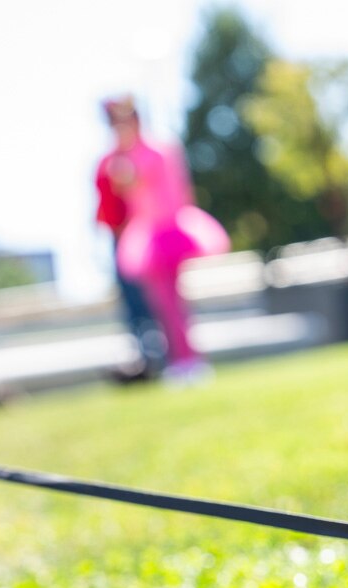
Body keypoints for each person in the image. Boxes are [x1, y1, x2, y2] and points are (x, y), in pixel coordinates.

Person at [97, 96, 229, 383]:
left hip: (167, 233)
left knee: (172, 303)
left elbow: (163, 190)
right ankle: (180, 360)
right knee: (163, 304)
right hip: (146, 237)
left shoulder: (152, 153)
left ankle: (188, 361)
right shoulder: (126, 157)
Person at [95, 98, 164, 381]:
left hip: (140, 238)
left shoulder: (134, 158)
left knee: (149, 302)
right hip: (118, 240)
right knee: (132, 306)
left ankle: (159, 357)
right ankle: (145, 360)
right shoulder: (108, 160)